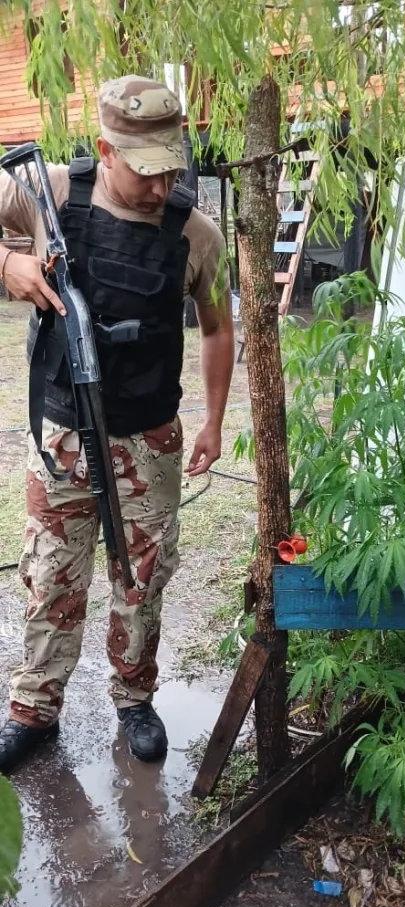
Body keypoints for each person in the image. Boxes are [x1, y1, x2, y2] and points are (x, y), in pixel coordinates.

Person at [0, 76, 234, 773]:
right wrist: (8, 261)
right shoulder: (48, 192)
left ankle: (134, 698)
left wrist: (214, 424)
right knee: (51, 575)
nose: (163, 186)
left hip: (149, 441)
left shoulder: (198, 233)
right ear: (106, 148)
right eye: (146, 170)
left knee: (143, 576)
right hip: (63, 434)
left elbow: (219, 330)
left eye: (173, 169)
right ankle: (34, 709)